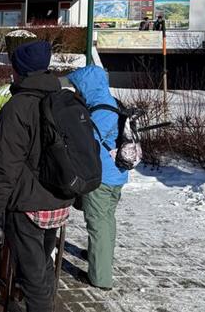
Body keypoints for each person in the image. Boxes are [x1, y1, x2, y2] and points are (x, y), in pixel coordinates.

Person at [0, 41, 73, 312]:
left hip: (28, 206)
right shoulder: (60, 99)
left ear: (20, 71)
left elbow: (6, 167)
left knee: (32, 277)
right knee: (42, 263)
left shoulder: (18, 107)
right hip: (58, 199)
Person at [67, 65, 124, 291]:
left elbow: (85, 142)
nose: (76, 93)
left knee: (98, 225)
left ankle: (100, 278)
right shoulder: (111, 103)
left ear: (87, 88)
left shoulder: (101, 111)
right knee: (107, 221)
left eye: (78, 88)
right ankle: (100, 260)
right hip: (115, 175)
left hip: (101, 178)